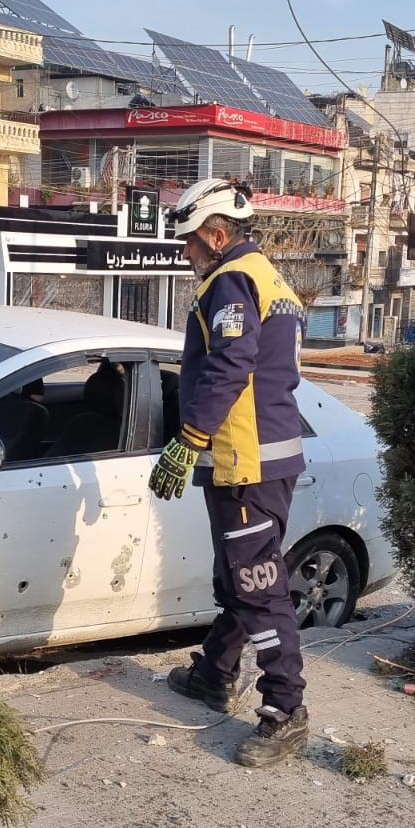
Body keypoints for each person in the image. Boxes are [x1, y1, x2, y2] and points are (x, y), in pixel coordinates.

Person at [148, 177, 309, 768]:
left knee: (260, 589)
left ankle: (285, 711)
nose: (186, 252)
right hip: (264, 457)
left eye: (189, 241)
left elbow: (232, 366)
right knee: (240, 579)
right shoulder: (272, 279)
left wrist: (188, 439)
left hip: (246, 462)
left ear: (216, 235)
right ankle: (215, 674)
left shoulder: (231, 281)